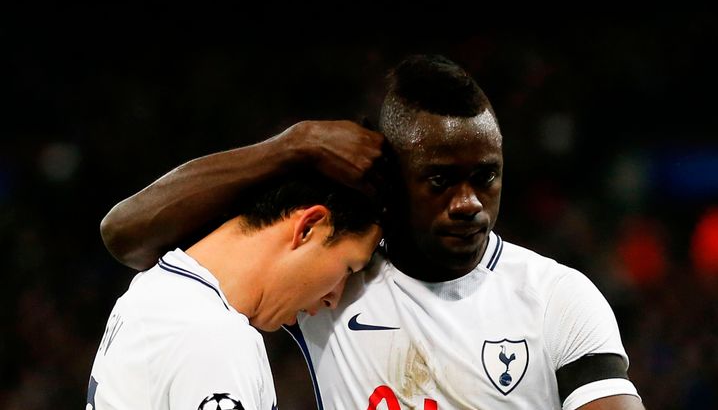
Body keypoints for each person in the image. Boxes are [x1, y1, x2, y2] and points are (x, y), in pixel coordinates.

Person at [99, 54, 644, 409]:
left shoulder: (556, 297)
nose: (468, 203)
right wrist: (291, 146)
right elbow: (128, 235)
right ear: (394, 185)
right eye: (439, 180)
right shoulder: (335, 281)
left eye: (487, 177)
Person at [87, 172, 382, 409]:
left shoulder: (150, 290)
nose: (334, 298)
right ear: (308, 226)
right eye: (348, 269)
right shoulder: (215, 336)